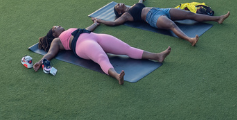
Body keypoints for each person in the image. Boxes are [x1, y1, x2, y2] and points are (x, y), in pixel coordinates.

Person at [34, 21, 171, 85]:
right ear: (54, 33)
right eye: (56, 27)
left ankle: (157, 56)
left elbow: (86, 29)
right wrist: (40, 62)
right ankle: (117, 76)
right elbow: (50, 54)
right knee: (101, 57)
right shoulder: (57, 41)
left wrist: (95, 23)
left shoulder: (70, 29)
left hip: (94, 36)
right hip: (82, 45)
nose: (59, 25)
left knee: (126, 48)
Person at [94, 0, 230, 46]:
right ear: (119, 11)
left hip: (161, 10)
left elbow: (138, 3)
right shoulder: (125, 16)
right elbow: (114, 23)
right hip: (152, 18)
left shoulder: (131, 6)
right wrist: (99, 20)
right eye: (118, 5)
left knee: (189, 15)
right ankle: (190, 39)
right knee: (171, 25)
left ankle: (218, 18)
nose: (119, 3)